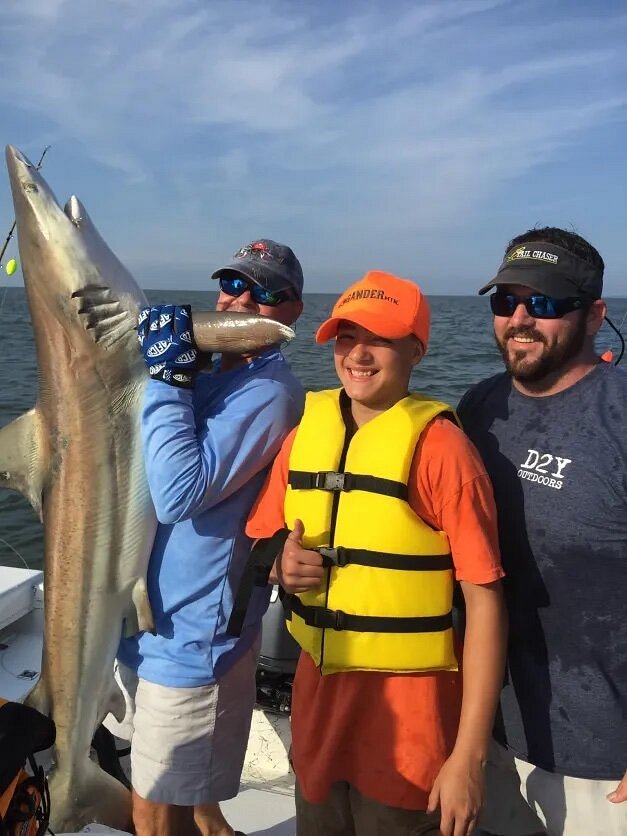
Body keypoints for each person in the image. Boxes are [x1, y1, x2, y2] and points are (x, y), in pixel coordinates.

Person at [243, 270, 507, 836]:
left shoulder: (444, 451)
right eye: (345, 337)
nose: (358, 354)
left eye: (380, 339)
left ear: (416, 349)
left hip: (410, 720)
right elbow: (267, 540)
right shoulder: (304, 433)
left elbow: (485, 603)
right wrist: (282, 566)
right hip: (318, 700)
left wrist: (468, 757)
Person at [115, 239, 305, 836]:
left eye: (266, 293)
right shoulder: (207, 371)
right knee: (198, 805)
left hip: (192, 638)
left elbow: (178, 494)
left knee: (151, 803)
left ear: (292, 313)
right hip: (145, 621)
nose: (243, 299)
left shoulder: (269, 392)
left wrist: (167, 378)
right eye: (234, 284)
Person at [457, 227, 627, 836]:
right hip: (490, 735)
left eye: (547, 303)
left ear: (595, 315)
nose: (521, 319)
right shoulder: (479, 407)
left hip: (605, 764)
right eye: (507, 302)